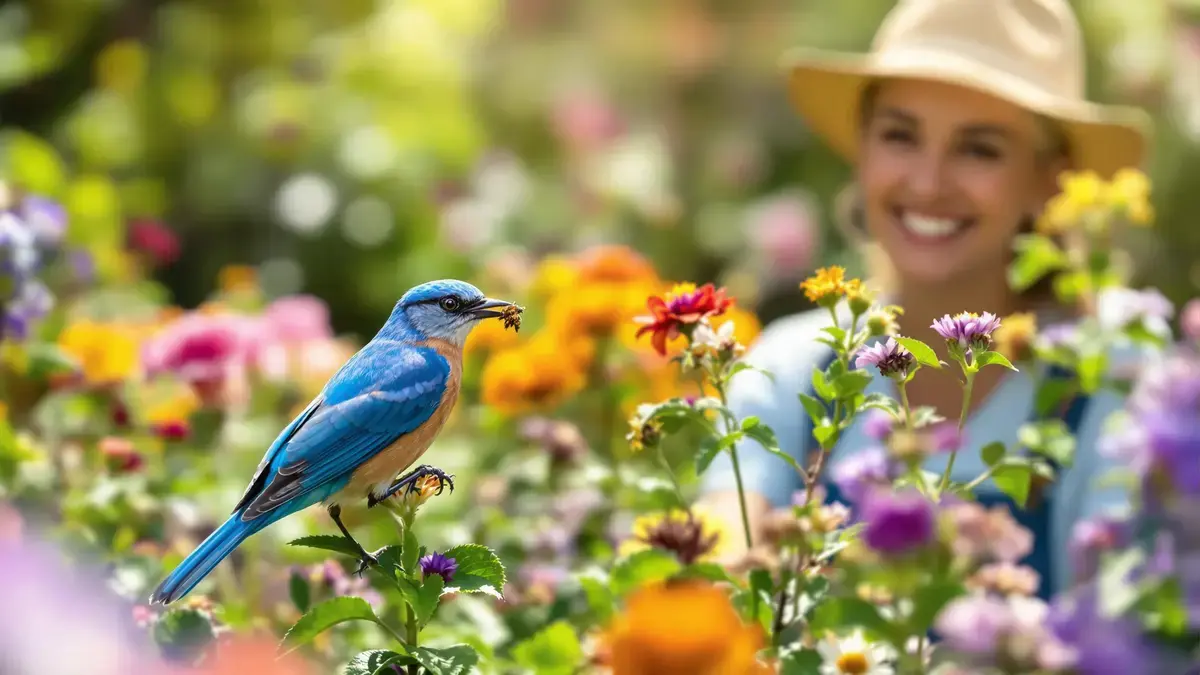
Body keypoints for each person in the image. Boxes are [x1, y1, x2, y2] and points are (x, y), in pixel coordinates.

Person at [697, 0, 1154, 599]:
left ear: (1053, 180)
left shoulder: (1106, 382)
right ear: (861, 150)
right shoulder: (789, 371)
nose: (929, 182)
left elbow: (1124, 633)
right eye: (900, 136)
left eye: (979, 149)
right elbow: (722, 570)